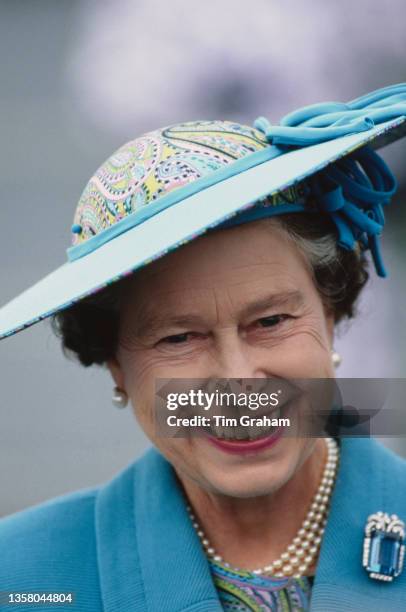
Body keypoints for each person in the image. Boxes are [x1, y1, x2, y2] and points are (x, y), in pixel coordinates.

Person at [1, 84, 406, 612]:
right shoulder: (23, 576)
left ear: (329, 314)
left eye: (270, 320)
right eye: (179, 338)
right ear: (115, 364)